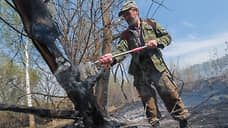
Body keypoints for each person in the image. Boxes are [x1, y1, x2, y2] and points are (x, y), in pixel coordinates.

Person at [100, 1, 190, 128]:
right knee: (148, 101)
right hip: (139, 71)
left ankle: (183, 122)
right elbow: (120, 52)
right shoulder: (125, 35)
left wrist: (157, 42)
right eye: (124, 15)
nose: (126, 17)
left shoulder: (151, 24)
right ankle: (155, 124)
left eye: (128, 14)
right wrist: (112, 58)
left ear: (136, 11)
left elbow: (167, 37)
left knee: (170, 94)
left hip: (157, 67)